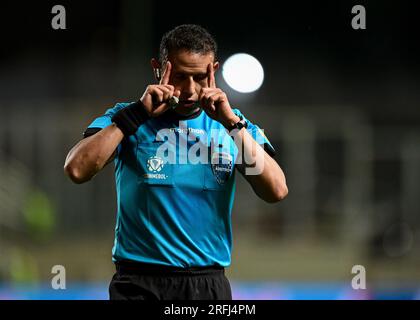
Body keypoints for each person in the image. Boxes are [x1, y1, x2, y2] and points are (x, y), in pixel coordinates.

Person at [64, 24, 288, 300]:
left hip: (207, 285)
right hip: (139, 282)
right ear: (158, 68)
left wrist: (232, 124)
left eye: (199, 77)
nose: (190, 90)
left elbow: (276, 190)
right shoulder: (126, 118)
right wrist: (136, 115)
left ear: (213, 71)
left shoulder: (234, 125)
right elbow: (77, 168)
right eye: (180, 76)